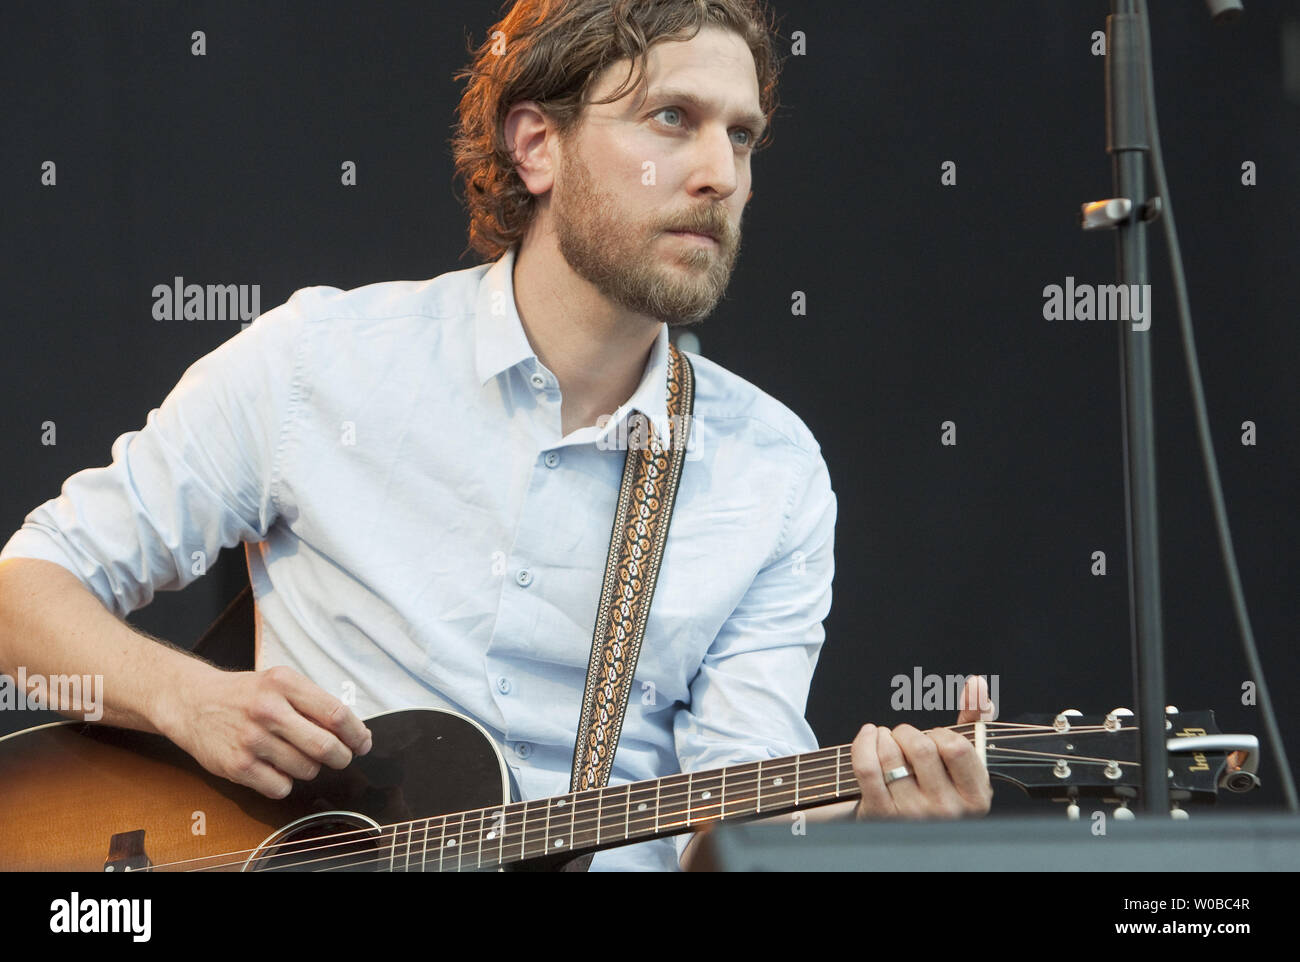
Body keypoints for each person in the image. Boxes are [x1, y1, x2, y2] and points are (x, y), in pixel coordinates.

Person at [0, 0, 991, 871]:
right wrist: (188, 700)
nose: (717, 175)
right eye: (671, 120)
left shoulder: (768, 473)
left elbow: (724, 831)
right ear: (535, 144)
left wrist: (866, 828)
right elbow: (20, 591)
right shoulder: (320, 363)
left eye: (740, 136)